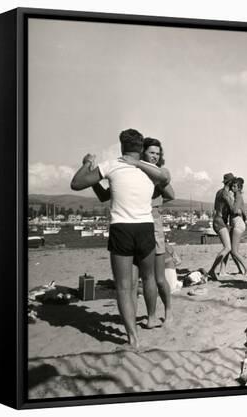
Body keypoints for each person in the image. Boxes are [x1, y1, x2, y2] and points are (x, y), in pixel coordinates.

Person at [70, 128, 169, 349]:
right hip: (145, 228)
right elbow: (166, 178)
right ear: (141, 148)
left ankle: (133, 337)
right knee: (149, 278)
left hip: (122, 228)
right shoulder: (151, 169)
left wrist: (87, 163)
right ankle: (152, 318)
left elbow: (76, 183)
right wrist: (140, 164)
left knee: (124, 287)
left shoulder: (112, 164)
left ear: (121, 146)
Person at [90, 137, 175, 326]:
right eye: (151, 153)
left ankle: (167, 311)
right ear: (142, 151)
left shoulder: (154, 173)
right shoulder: (125, 172)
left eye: (157, 154)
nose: (155, 157)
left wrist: (155, 204)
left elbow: (171, 194)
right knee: (135, 281)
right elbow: (105, 195)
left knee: (159, 278)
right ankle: (137, 317)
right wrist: (93, 179)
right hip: (133, 226)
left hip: (152, 225)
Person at [207, 173, 236, 281]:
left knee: (227, 247)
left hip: (218, 220)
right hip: (220, 221)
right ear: (230, 182)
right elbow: (233, 209)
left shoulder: (219, 192)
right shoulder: (226, 194)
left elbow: (216, 207)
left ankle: (223, 271)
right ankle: (212, 270)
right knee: (228, 247)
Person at [221, 177, 247, 277]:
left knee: (234, 251)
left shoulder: (238, 196)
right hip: (236, 224)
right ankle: (239, 270)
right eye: (232, 186)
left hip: (238, 224)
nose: (232, 188)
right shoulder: (235, 195)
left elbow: (234, 210)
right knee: (230, 249)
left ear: (239, 188)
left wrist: (228, 200)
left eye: (234, 186)